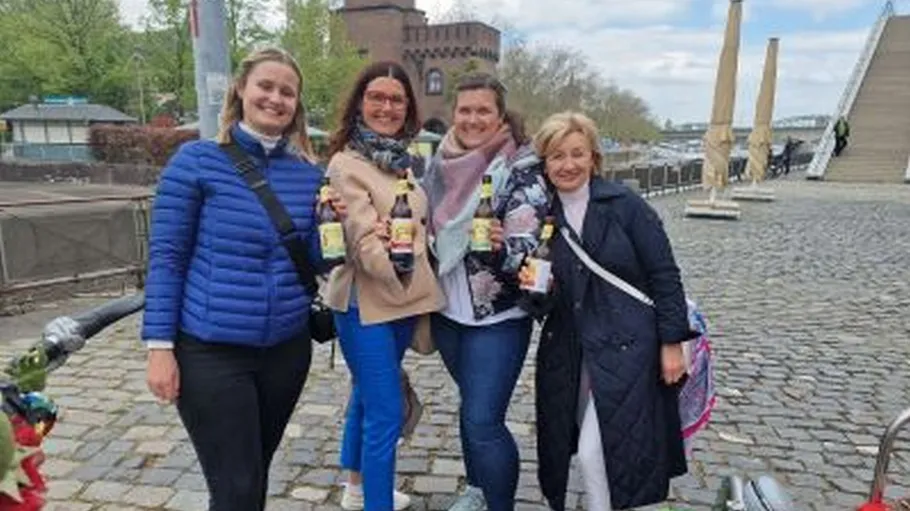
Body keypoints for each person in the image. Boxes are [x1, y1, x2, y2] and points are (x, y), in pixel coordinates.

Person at [142, 47, 346, 511]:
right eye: (266, 86)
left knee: (252, 476)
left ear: (297, 104)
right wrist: (159, 348)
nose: (275, 98)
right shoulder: (195, 161)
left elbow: (315, 262)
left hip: (285, 352)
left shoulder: (308, 175)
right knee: (235, 486)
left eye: (287, 92)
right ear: (242, 90)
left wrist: (336, 229)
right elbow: (168, 259)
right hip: (212, 352)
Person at [524, 112, 693, 511]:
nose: (568, 165)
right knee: (590, 449)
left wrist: (672, 342)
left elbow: (664, 275)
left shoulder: (626, 206)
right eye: (557, 156)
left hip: (628, 348)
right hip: (572, 352)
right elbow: (538, 304)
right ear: (544, 164)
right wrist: (535, 288)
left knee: (597, 452)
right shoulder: (539, 218)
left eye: (577, 154)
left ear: (594, 157)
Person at [421, 72, 551, 511]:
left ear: (500, 115)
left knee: (483, 419)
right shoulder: (437, 164)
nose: (472, 118)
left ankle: (499, 504)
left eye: (483, 110)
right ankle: (477, 488)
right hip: (447, 312)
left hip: (497, 317)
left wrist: (500, 248)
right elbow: (421, 225)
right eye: (465, 110)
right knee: (469, 407)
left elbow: (533, 258)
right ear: (453, 113)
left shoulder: (521, 169)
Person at [323, 61, 445, 511]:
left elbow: (406, 229)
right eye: (377, 97)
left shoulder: (401, 163)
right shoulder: (346, 163)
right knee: (386, 410)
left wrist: (404, 244)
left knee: (366, 395)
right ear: (360, 102)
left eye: (396, 99)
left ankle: (355, 490)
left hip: (403, 301)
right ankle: (375, 502)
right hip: (366, 304)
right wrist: (401, 258)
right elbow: (364, 241)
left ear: (408, 107)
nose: (386, 107)